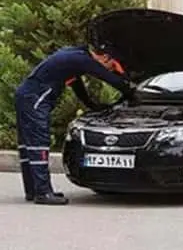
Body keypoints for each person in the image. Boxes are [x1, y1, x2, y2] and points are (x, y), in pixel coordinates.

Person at [15, 43, 136, 205]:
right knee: (38, 144)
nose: (110, 69)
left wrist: (91, 105)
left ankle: (33, 190)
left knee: (27, 144)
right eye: (111, 66)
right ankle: (43, 192)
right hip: (35, 98)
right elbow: (110, 79)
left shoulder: (75, 56)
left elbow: (76, 84)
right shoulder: (82, 59)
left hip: (27, 95)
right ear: (105, 57)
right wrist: (132, 92)